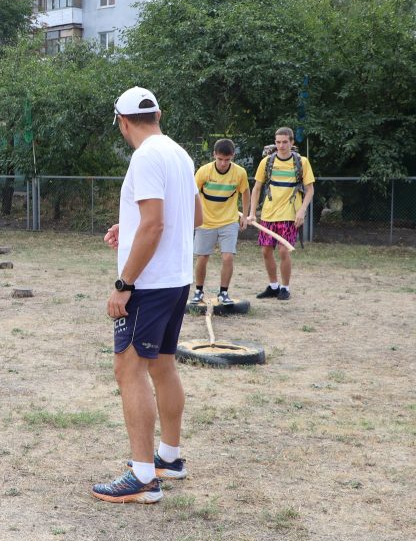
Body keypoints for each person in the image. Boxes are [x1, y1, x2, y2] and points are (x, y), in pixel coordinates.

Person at [96, 87, 201, 505]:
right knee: (162, 366)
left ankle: (142, 477)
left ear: (122, 122)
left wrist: (124, 284)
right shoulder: (180, 153)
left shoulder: (143, 157)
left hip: (150, 286)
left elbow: (155, 224)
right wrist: (130, 226)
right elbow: (192, 215)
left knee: (129, 369)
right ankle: (169, 459)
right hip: (177, 280)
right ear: (158, 113)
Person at [247, 127, 316, 301]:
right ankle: (273, 286)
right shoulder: (267, 162)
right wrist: (252, 212)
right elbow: (256, 188)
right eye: (278, 142)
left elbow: (310, 190)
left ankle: (285, 288)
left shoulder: (302, 162)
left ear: (292, 142)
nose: (281, 145)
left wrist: (302, 210)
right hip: (268, 214)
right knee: (265, 251)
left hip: (289, 214)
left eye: (285, 142)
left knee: (284, 251)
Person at [190, 139, 250, 306]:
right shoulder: (204, 171)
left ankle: (223, 292)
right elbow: (192, 194)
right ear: (214, 155)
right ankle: (198, 291)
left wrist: (244, 216)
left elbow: (245, 192)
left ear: (232, 157)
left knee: (228, 257)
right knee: (202, 257)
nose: (223, 163)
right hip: (206, 221)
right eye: (220, 159)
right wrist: (193, 217)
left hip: (229, 221)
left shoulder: (239, 173)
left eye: (227, 160)